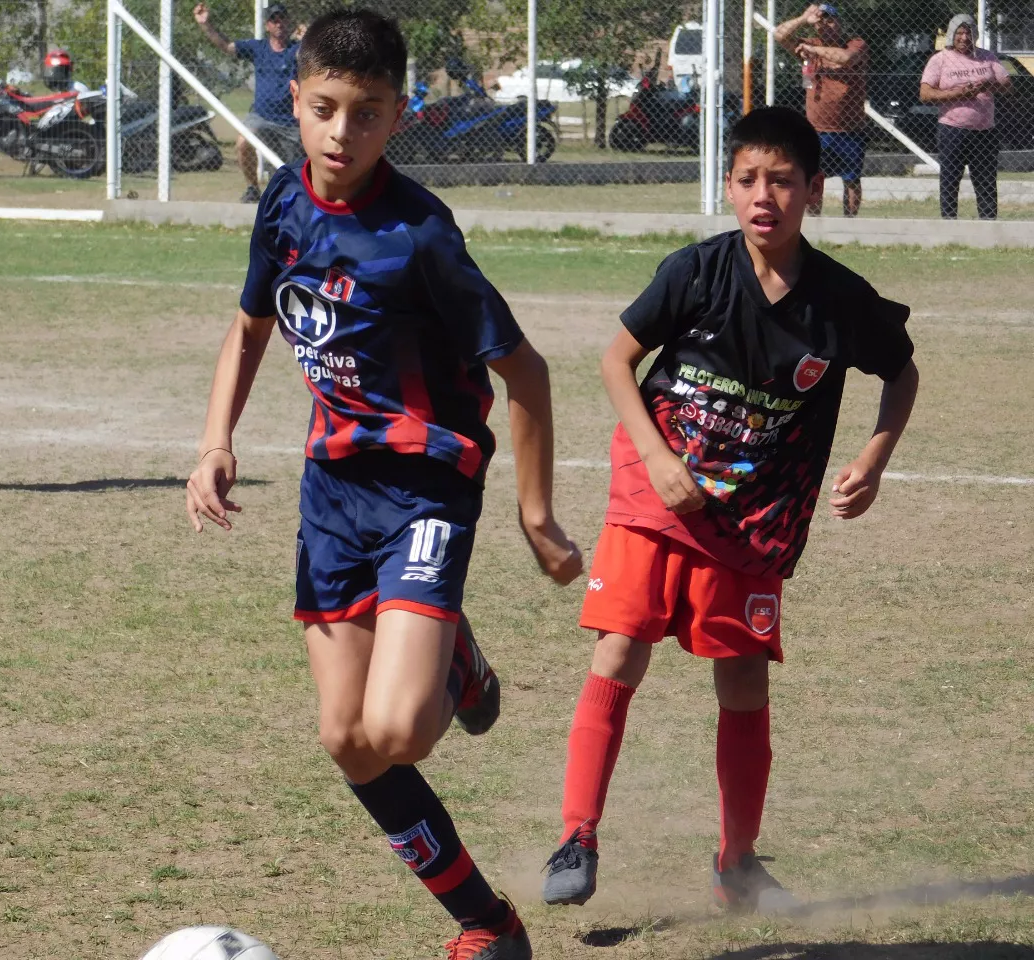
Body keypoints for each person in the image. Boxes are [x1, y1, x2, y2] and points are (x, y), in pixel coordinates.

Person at [186, 10, 582, 958]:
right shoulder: (280, 204)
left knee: (399, 729)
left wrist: (535, 514)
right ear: (296, 97)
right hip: (333, 494)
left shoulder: (420, 235)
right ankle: (488, 924)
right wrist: (215, 442)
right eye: (324, 108)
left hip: (425, 488)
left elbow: (525, 374)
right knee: (348, 741)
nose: (339, 134)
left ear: (397, 115)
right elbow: (250, 329)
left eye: (365, 114)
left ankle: (454, 661)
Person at [539, 107, 919, 913]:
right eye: (747, 179)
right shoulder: (697, 272)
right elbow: (617, 359)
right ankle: (577, 835)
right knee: (619, 651)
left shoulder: (839, 302)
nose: (763, 196)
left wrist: (873, 458)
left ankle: (737, 861)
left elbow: (901, 372)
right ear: (728, 185)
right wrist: (655, 455)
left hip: (755, 517)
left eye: (782, 180)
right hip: (659, 494)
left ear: (814, 189)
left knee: (742, 678)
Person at [194, 1, 303, 203]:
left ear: (288, 23)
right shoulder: (258, 48)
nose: (278, 24)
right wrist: (205, 24)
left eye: (282, 19)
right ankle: (253, 188)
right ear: (267, 25)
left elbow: (313, 55)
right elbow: (226, 46)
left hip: (290, 121)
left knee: (291, 173)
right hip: (260, 116)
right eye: (274, 20)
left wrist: (309, 38)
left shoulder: (297, 50)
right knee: (243, 141)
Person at [774, 3, 868, 217]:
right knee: (813, 178)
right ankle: (815, 224)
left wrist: (814, 50)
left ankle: (850, 222)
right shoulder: (808, 44)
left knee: (851, 179)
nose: (825, 24)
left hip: (850, 129)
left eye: (830, 19)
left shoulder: (855, 43)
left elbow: (846, 58)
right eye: (820, 20)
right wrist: (802, 18)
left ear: (839, 22)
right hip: (817, 129)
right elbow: (779, 35)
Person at [920, 15, 1011, 220]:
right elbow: (925, 94)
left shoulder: (987, 56)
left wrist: (989, 86)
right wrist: (958, 94)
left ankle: (988, 225)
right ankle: (950, 224)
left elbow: (1007, 84)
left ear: (975, 34)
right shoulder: (940, 59)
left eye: (969, 32)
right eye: (960, 33)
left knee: (986, 182)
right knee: (950, 180)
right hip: (952, 130)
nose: (964, 37)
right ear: (952, 34)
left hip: (985, 131)